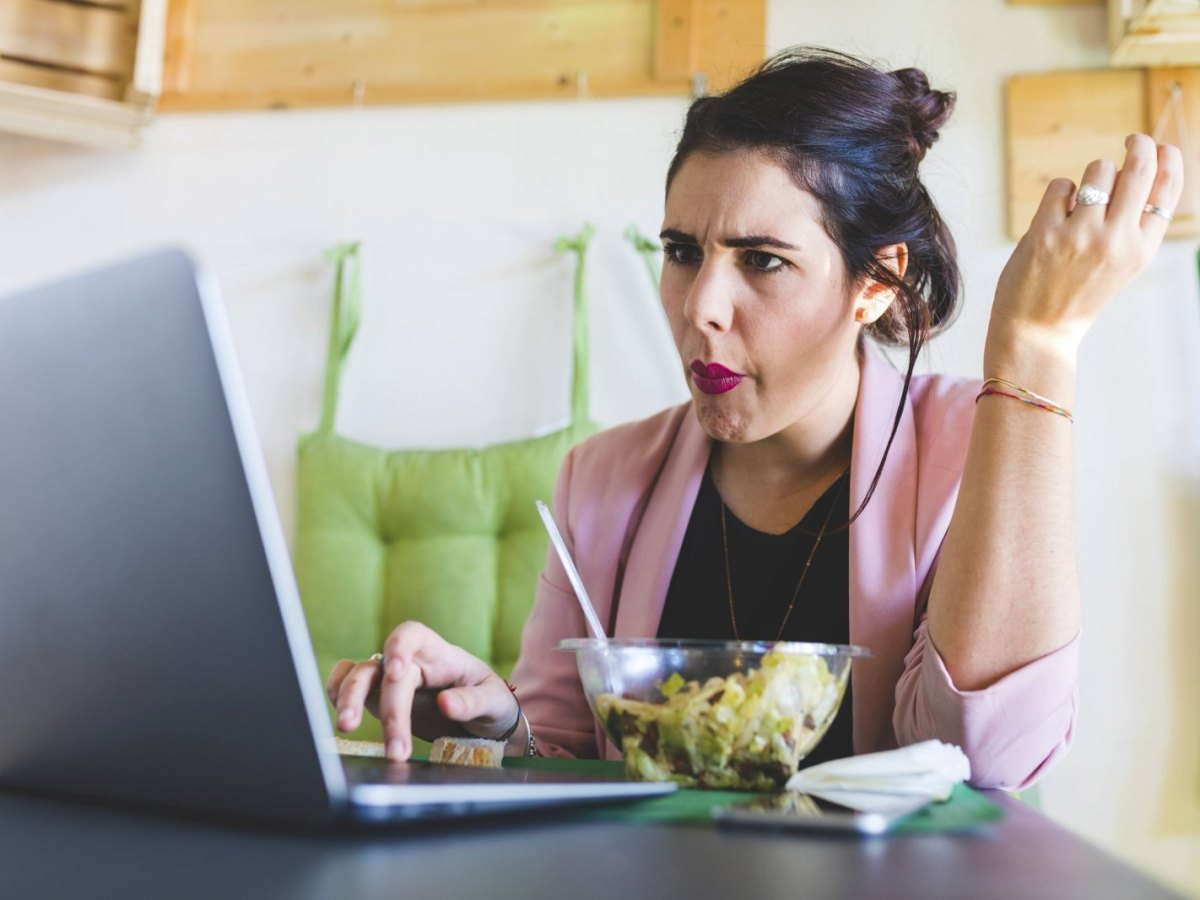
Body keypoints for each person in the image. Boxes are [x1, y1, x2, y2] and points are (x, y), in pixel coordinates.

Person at [326, 47, 1182, 789]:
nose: (701, 306)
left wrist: (1033, 348)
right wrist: (489, 724)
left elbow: (983, 755)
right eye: (681, 252)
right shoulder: (602, 480)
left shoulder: (977, 446)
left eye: (763, 261)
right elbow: (564, 759)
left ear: (875, 282)